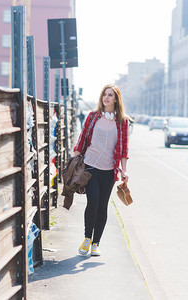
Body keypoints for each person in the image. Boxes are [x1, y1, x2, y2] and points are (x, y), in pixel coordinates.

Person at [73, 83, 130, 256]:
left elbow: (124, 149)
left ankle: (96, 243)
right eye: (104, 94)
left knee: (103, 206)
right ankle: (86, 239)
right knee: (93, 203)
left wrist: (124, 170)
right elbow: (82, 140)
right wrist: (75, 161)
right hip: (91, 166)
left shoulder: (123, 122)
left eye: (110, 95)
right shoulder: (92, 116)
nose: (106, 97)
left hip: (109, 170)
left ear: (116, 99)